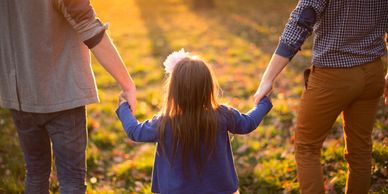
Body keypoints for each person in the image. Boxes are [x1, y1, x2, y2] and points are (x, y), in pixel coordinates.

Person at [0, 0, 136, 193]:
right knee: (71, 181)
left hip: (20, 94)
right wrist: (127, 85)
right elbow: (89, 25)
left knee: (35, 172)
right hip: (64, 93)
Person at [253, 0, 388, 193]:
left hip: (332, 75)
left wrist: (268, 77)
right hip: (372, 71)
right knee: (361, 150)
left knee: (307, 147)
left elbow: (301, 21)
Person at [116, 49, 272, 194]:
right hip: (220, 189)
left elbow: (135, 131)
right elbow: (248, 123)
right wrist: (263, 103)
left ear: (174, 89)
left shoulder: (165, 122)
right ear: (208, 86)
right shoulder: (222, 115)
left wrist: (124, 107)